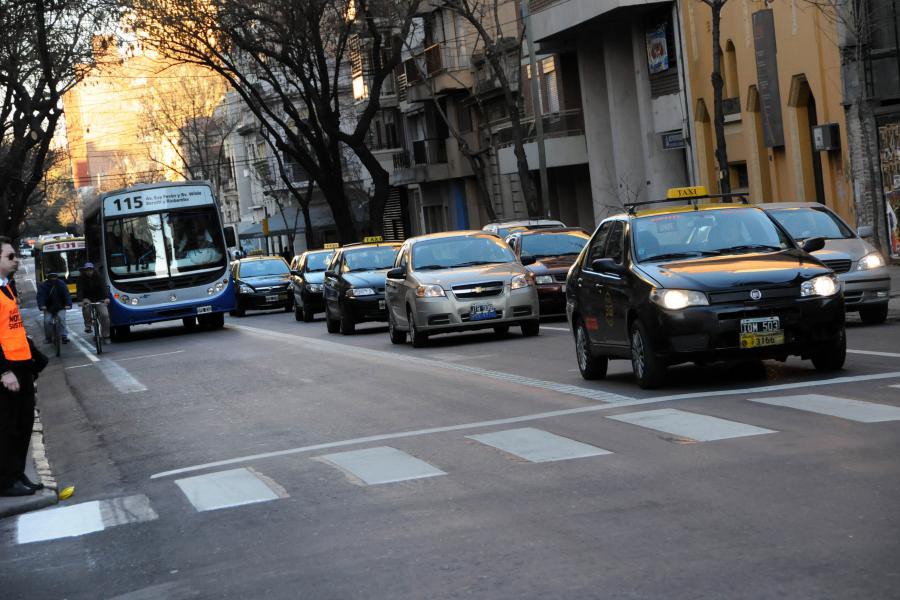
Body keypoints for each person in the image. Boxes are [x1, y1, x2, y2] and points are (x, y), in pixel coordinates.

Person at [0, 238, 42, 496]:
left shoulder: (6, 287)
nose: (16, 260)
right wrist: (3, 370)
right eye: (10, 256)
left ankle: (17, 474)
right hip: (8, 370)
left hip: (22, 365)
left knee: (24, 423)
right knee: (7, 427)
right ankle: (5, 481)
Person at [76, 262, 111, 342]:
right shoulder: (80, 279)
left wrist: (106, 298)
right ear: (84, 271)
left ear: (93, 270)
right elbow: (79, 290)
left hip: (99, 299)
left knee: (105, 315)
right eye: (87, 270)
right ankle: (88, 325)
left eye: (91, 270)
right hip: (87, 298)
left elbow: (104, 288)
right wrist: (81, 300)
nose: (89, 272)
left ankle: (106, 335)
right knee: (86, 307)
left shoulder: (99, 277)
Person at [36, 272, 72, 344]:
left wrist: (68, 304)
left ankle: (64, 336)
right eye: (51, 277)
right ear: (48, 278)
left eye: (54, 277)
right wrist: (42, 305)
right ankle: (48, 338)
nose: (53, 279)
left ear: (57, 277)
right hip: (48, 308)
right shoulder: (43, 285)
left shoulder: (61, 284)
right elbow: (40, 296)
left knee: (62, 319)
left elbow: (67, 294)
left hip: (60, 306)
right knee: (47, 321)